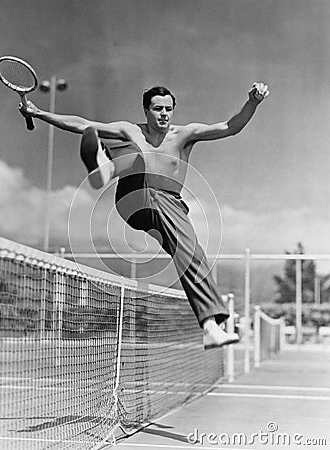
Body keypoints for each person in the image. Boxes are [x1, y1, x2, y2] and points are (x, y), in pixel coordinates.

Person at [19, 81, 269, 349]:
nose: (163, 114)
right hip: (132, 199)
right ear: (146, 111)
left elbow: (230, 127)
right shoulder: (131, 130)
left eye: (168, 109)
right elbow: (83, 125)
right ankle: (106, 167)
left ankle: (210, 326)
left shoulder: (185, 134)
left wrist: (252, 101)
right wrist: (39, 113)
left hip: (168, 204)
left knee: (191, 253)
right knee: (137, 152)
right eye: (157, 108)